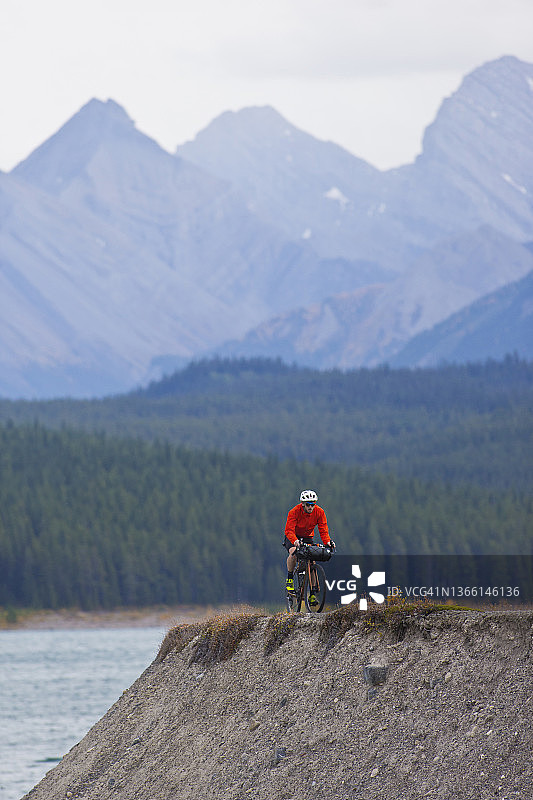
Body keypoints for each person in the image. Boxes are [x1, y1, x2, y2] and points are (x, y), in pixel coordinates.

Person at [283, 490, 335, 602]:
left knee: (312, 561)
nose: (310, 507)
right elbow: (289, 530)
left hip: (307, 537)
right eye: (308, 504)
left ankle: (312, 594)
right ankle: (290, 579)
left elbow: (323, 530)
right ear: (302, 504)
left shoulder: (320, 512)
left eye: (313, 504)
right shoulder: (294, 512)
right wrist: (295, 541)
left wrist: (328, 542)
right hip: (293, 536)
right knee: (294, 553)